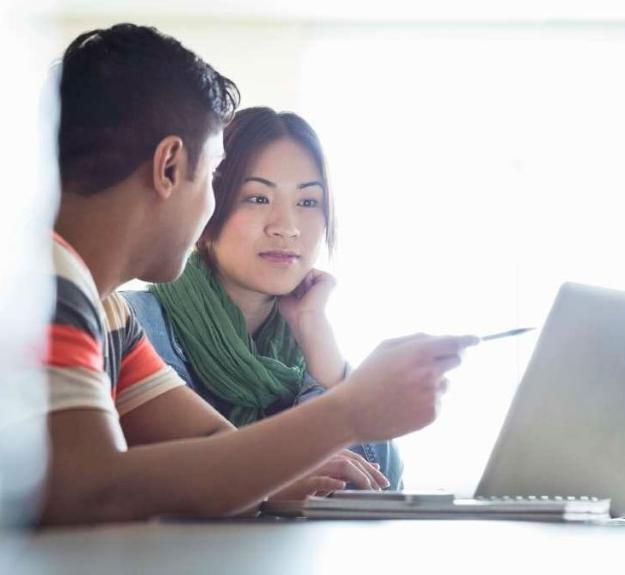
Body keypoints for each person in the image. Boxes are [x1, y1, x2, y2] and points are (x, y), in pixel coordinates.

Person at [43, 23, 476, 526]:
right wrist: (351, 410)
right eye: (212, 177)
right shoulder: (41, 279)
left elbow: (214, 446)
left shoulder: (107, 310)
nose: (286, 227)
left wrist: (279, 478)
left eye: (309, 202)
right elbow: (89, 489)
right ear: (169, 167)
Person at [122, 107, 401, 490]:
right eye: (256, 198)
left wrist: (321, 347)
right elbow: (150, 483)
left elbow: (382, 485)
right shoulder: (132, 323)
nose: (286, 227)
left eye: (307, 203)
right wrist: (275, 477)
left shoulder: (310, 351)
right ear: (206, 208)